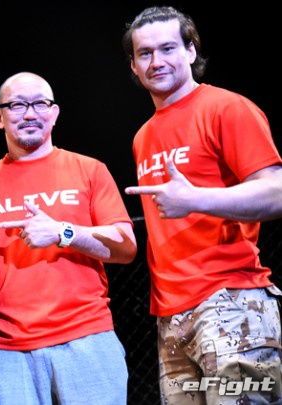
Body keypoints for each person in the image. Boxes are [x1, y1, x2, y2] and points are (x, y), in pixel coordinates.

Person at [0, 71, 137, 404]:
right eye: (17, 105)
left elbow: (125, 246)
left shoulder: (89, 170)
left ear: (55, 113)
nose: (30, 114)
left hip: (87, 338)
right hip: (9, 350)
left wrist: (62, 232)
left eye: (39, 104)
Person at [122, 6, 282, 404]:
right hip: (170, 315)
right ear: (134, 66)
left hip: (231, 301)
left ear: (191, 51)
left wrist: (196, 199)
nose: (156, 61)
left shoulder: (226, 107)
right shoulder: (143, 136)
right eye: (145, 53)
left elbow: (276, 191)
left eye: (168, 48)